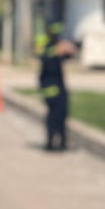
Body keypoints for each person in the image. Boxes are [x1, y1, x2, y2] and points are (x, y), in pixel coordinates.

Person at [38, 22, 77, 151]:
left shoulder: (58, 45)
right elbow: (43, 57)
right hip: (49, 85)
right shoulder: (44, 43)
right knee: (53, 115)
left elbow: (67, 56)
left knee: (62, 114)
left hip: (59, 85)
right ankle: (50, 142)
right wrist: (56, 51)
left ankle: (62, 142)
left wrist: (71, 50)